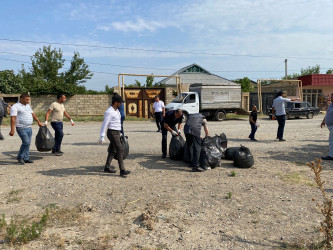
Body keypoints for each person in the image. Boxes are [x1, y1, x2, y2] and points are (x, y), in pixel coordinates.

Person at [98, 93, 131, 177]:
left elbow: (117, 123)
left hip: (116, 132)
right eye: (120, 102)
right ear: (116, 102)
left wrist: (120, 133)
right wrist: (102, 135)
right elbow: (104, 124)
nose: (121, 104)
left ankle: (107, 167)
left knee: (113, 150)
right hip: (112, 133)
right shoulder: (109, 112)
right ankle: (122, 170)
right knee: (120, 149)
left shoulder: (116, 111)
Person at [9, 93, 43, 164]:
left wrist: (38, 121)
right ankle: (20, 157)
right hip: (21, 128)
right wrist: (12, 130)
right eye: (26, 100)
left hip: (29, 127)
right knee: (26, 142)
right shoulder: (15, 107)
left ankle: (26, 158)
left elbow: (32, 114)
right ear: (21, 99)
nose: (28, 101)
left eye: (28, 100)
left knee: (28, 143)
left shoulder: (27, 105)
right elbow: (13, 119)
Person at [320, 93, 333, 160]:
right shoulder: (331, 105)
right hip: (330, 126)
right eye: (331, 97)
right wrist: (323, 121)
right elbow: (328, 114)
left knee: (331, 141)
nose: (331, 98)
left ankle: (331, 156)